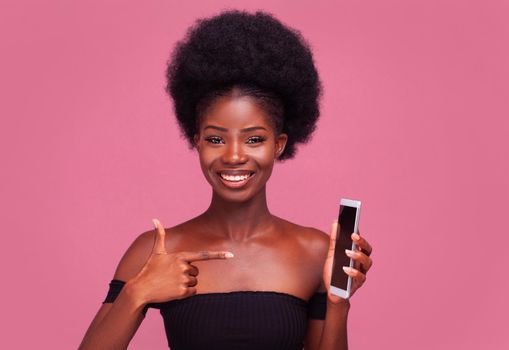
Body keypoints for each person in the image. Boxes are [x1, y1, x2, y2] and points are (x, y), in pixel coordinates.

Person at [79, 9, 373, 350]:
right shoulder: (156, 251)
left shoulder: (314, 252)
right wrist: (137, 292)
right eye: (216, 139)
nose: (234, 156)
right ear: (197, 141)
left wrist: (339, 302)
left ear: (278, 144)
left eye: (254, 139)